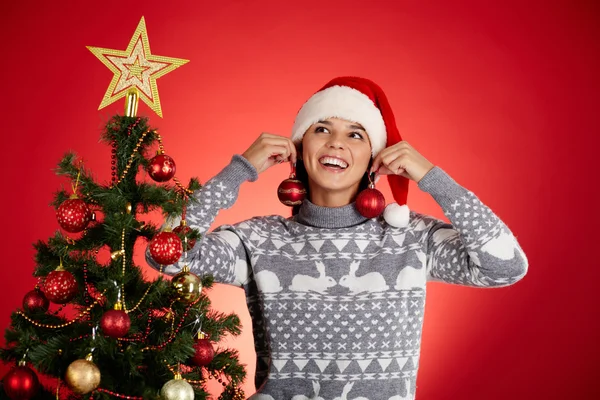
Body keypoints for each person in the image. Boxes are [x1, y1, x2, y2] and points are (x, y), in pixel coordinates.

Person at [146, 76, 528, 400]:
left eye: (356, 134)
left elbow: (504, 266)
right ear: (298, 149)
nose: (336, 143)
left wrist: (434, 179)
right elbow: (168, 256)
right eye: (322, 129)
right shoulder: (258, 240)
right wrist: (237, 171)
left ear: (375, 159)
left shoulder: (411, 239)